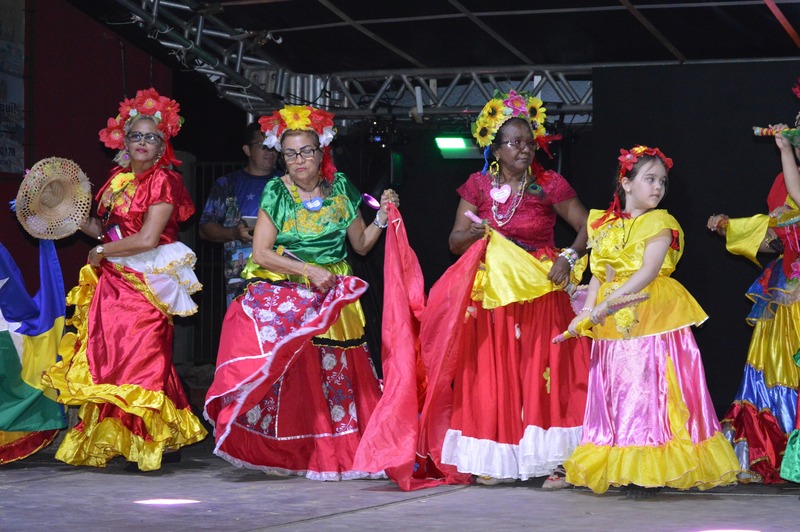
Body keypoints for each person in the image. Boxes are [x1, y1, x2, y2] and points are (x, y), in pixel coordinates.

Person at [204, 104, 398, 480]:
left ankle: (339, 448)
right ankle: (293, 450)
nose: (298, 160)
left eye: (306, 151)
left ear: (321, 151)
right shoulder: (277, 191)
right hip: (292, 290)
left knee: (334, 374)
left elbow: (360, 246)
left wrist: (382, 218)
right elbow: (261, 253)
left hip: (335, 295)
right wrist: (307, 270)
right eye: (290, 153)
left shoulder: (341, 188)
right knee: (298, 377)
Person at [417, 90, 591, 488]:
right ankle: (497, 457)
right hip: (494, 293)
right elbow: (454, 241)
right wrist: (474, 233)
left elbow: (588, 225)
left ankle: (555, 460)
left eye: (529, 142)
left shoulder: (549, 184)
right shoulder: (477, 185)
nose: (525, 150)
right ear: (495, 148)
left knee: (542, 372)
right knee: (495, 371)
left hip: (539, 288)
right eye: (515, 143)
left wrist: (569, 256)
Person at [42, 88, 207, 471]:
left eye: (152, 136)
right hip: (113, 281)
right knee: (113, 359)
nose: (143, 142)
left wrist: (102, 252)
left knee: (146, 358)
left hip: (147, 278)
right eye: (137, 135)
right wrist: (62, 207)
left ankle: (151, 440)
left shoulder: (164, 181)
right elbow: (102, 230)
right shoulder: (116, 179)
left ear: (162, 143)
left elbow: (148, 238)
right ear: (124, 141)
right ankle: (140, 438)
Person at [563, 145, 740, 498]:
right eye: (649, 179)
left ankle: (653, 466)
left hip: (650, 312)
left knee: (650, 388)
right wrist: (588, 310)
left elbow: (648, 271)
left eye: (662, 181)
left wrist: (606, 305)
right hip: (612, 320)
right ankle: (625, 465)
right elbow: (598, 274)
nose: (658, 187)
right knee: (618, 390)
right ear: (625, 183)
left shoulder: (661, 222)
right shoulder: (601, 222)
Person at [707, 111, 800, 483]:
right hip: (785, 289)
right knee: (773, 373)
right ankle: (772, 451)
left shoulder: (788, 172)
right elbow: (779, 238)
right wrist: (733, 230)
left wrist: (783, 150)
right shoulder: (783, 177)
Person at [199, 122, 282, 305]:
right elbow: (204, 228)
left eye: (274, 144)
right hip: (240, 279)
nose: (270, 150)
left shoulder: (287, 183)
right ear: (247, 150)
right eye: (262, 145)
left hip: (282, 273)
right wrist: (233, 233)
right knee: (242, 329)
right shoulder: (227, 184)